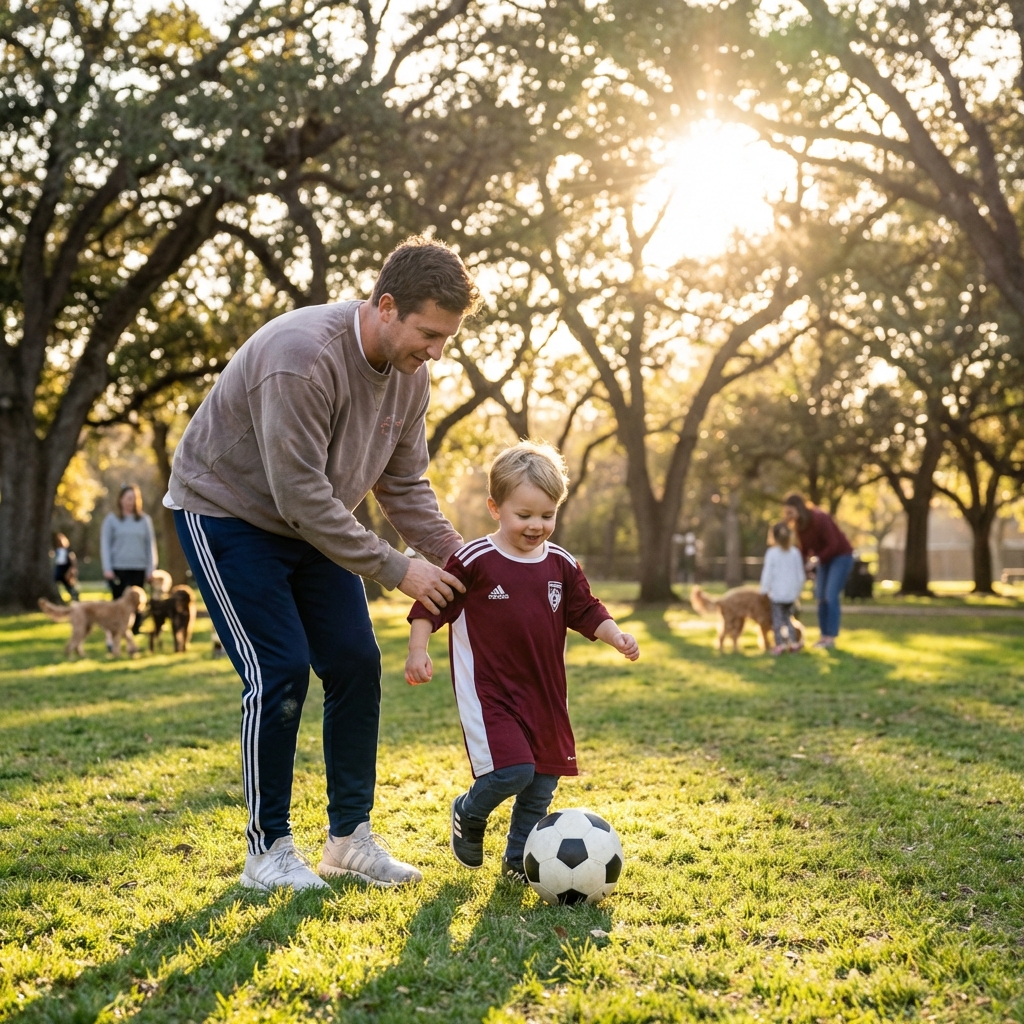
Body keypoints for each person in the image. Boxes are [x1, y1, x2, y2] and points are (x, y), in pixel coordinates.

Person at [165, 237, 478, 892]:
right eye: (428, 333)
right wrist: (398, 569)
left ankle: (347, 841)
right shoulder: (302, 359)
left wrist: (466, 561)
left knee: (356, 664)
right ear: (386, 306)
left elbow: (404, 487)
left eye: (447, 338)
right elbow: (300, 495)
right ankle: (268, 850)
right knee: (277, 669)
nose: (436, 352)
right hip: (229, 514)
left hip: (316, 520)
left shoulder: (410, 378)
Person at [404, 441, 640, 881]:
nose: (537, 526)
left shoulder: (561, 564)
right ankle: (468, 810)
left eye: (547, 515)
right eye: (524, 515)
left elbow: (587, 610)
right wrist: (418, 649)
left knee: (542, 783)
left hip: (546, 695)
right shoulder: (475, 560)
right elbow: (431, 604)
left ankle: (518, 859)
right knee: (513, 771)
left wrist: (616, 636)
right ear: (495, 508)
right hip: (491, 693)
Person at [782, 494, 854, 650]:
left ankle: (831, 637)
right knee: (820, 596)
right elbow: (804, 550)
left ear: (799, 508)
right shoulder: (799, 525)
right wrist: (802, 568)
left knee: (830, 595)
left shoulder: (820, 518)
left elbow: (834, 544)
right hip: (824, 559)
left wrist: (816, 560)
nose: (788, 516)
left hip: (841, 556)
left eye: (790, 512)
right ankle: (824, 636)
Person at [101, 484, 157, 638]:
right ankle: (116, 635)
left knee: (137, 604)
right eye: (127, 498)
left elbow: (150, 545)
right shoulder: (111, 520)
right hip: (118, 568)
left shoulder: (145, 520)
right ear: (120, 500)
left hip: (139, 567)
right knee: (118, 604)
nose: (129, 502)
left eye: (132, 499)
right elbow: (105, 545)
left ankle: (135, 633)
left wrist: (151, 568)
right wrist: (107, 568)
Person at [759, 521, 805, 655]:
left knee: (778, 621)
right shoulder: (795, 553)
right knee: (789, 619)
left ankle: (780, 645)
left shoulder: (772, 553)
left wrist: (763, 590)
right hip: (791, 595)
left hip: (777, 595)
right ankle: (793, 643)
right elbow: (800, 575)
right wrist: (797, 591)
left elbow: (767, 574)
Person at [52, 532, 80, 602]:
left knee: (67, 584)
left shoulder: (68, 551)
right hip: (59, 568)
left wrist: (72, 569)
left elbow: (72, 560)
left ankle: (75, 595)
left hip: (65, 569)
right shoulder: (57, 550)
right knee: (55, 580)